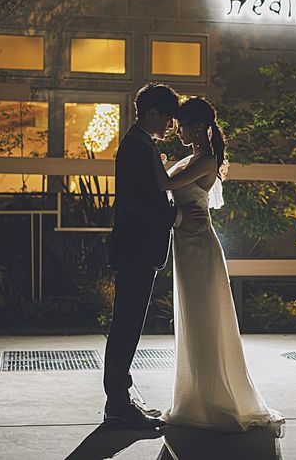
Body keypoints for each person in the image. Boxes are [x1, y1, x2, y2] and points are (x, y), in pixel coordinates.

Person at [151, 97, 284, 433]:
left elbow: (165, 184)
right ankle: (194, 398)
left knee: (204, 320)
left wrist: (153, 156)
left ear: (197, 127)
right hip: (185, 244)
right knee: (192, 320)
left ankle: (212, 401)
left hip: (199, 247)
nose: (177, 130)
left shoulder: (207, 161)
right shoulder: (191, 159)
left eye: (181, 124)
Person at [103, 84, 204, 429]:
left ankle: (119, 401)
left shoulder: (141, 143)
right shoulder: (136, 146)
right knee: (126, 326)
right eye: (168, 118)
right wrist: (177, 217)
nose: (172, 126)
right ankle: (118, 403)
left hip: (137, 249)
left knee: (128, 325)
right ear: (152, 113)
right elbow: (137, 202)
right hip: (135, 249)